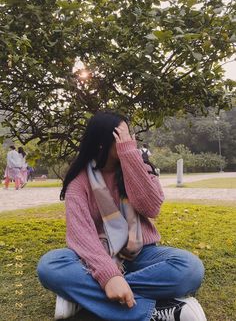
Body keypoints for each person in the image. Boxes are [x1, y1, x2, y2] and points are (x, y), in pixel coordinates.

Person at [37, 111, 206, 321]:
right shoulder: (79, 182)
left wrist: (129, 156)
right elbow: (82, 236)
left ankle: (83, 298)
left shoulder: (136, 166)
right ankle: (156, 312)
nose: (130, 141)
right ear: (102, 143)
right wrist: (109, 275)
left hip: (141, 253)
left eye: (130, 135)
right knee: (50, 265)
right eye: (122, 136)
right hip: (97, 257)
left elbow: (151, 207)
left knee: (190, 268)